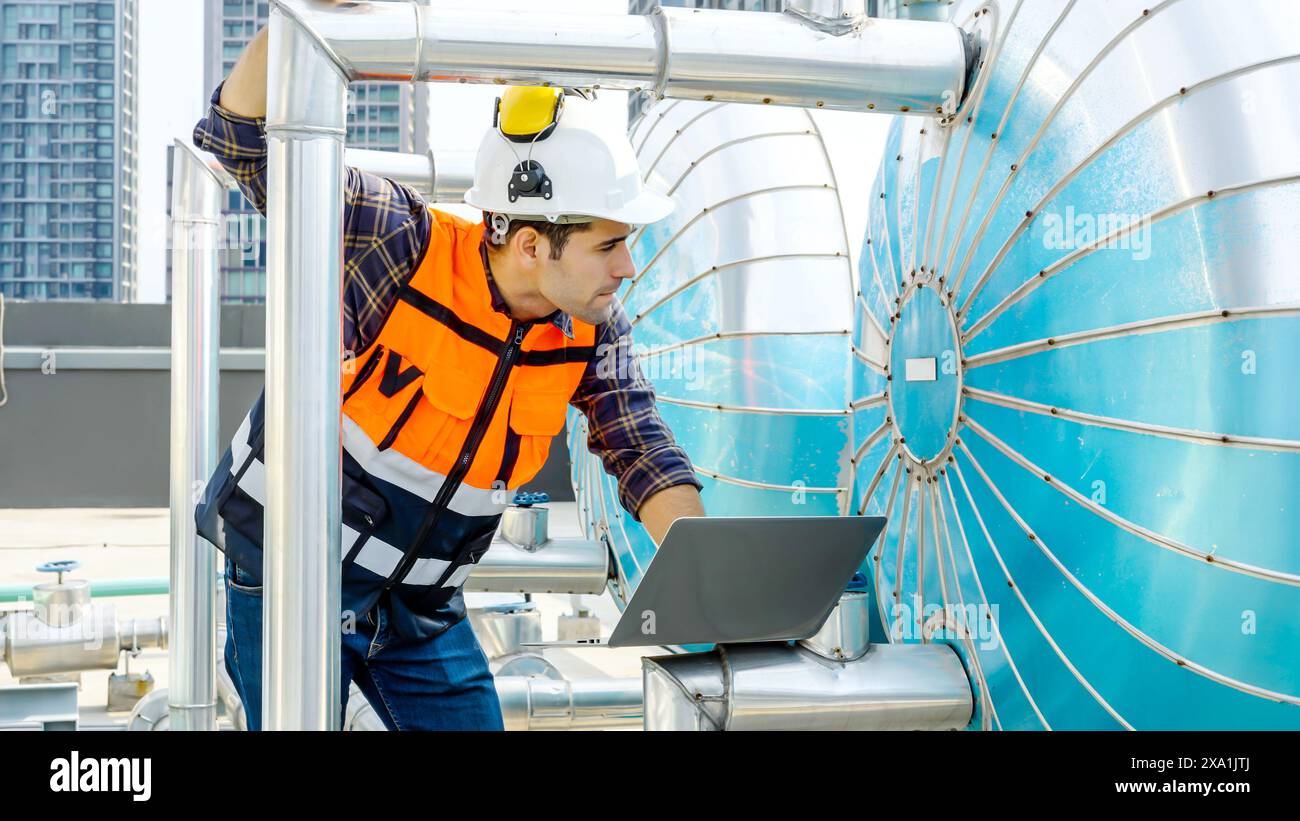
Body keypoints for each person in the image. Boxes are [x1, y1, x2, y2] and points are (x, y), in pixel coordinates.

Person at [192, 21, 705, 731]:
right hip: (291, 571)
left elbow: (639, 442)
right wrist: (301, 15)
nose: (627, 266)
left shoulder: (592, 326)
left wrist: (710, 574)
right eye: (610, 244)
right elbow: (238, 140)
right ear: (531, 244)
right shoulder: (400, 242)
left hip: (419, 606)